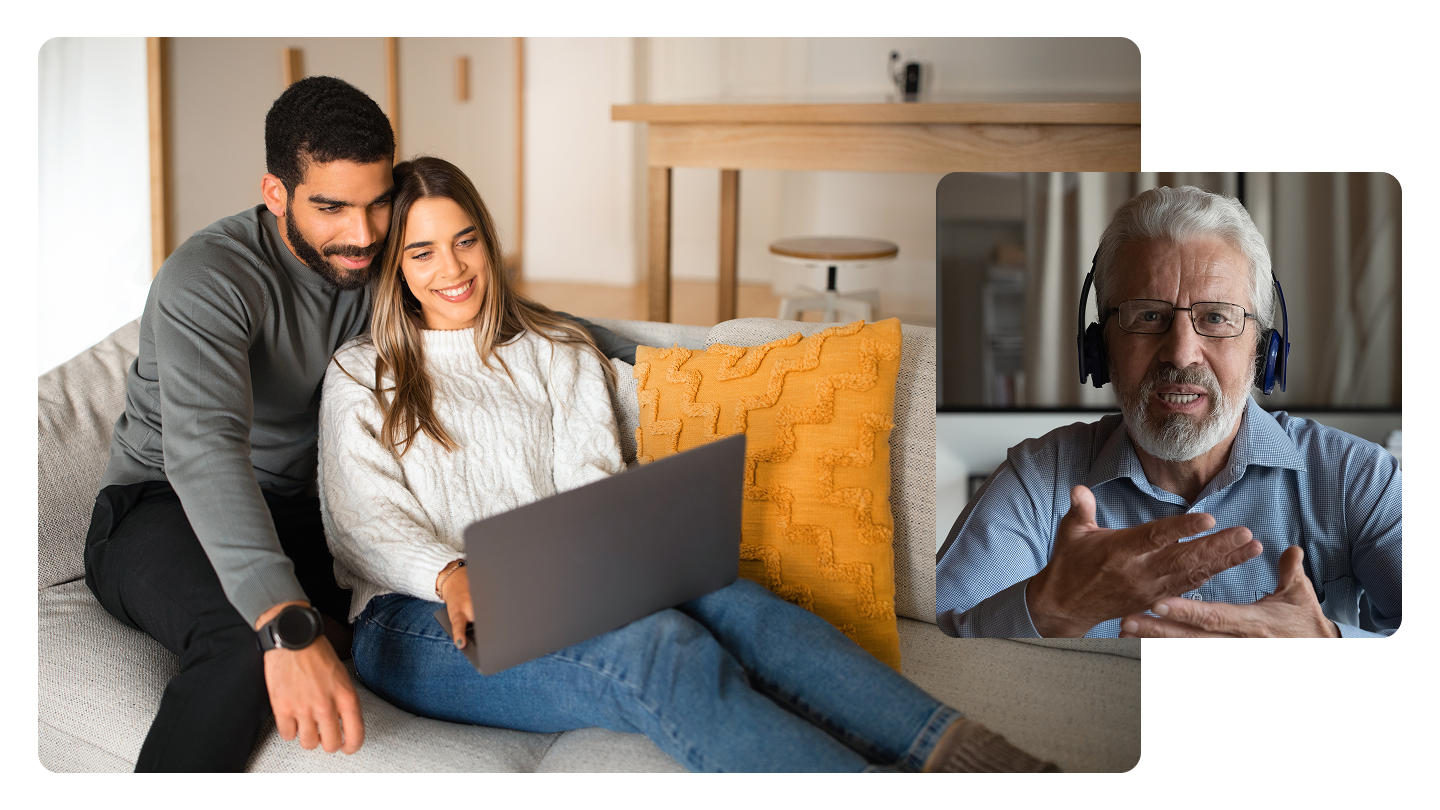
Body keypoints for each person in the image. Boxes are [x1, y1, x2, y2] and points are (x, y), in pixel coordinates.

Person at [318, 156, 1058, 772]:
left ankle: (981, 757)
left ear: (488, 241)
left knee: (740, 606)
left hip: (553, 584)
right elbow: (359, 523)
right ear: (395, 266)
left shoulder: (558, 351)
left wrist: (603, 556)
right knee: (657, 648)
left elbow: (591, 486)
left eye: (466, 240)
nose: (452, 268)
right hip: (413, 625)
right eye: (422, 251)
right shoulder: (363, 372)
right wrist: (453, 575)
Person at [82, 76, 636, 773]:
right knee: (242, 645)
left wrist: (683, 361)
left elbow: (512, 315)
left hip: (306, 508)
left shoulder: (378, 261)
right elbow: (204, 451)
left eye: (378, 205)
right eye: (332, 207)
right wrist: (285, 620)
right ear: (276, 193)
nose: (363, 233)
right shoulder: (208, 278)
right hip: (162, 505)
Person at [935, 185, 1401, 639]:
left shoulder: (1359, 480)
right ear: (1101, 349)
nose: (1181, 354)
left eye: (1216, 317)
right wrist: (1045, 610)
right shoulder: (1037, 482)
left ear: (1263, 349)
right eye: (1148, 316)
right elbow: (927, 655)